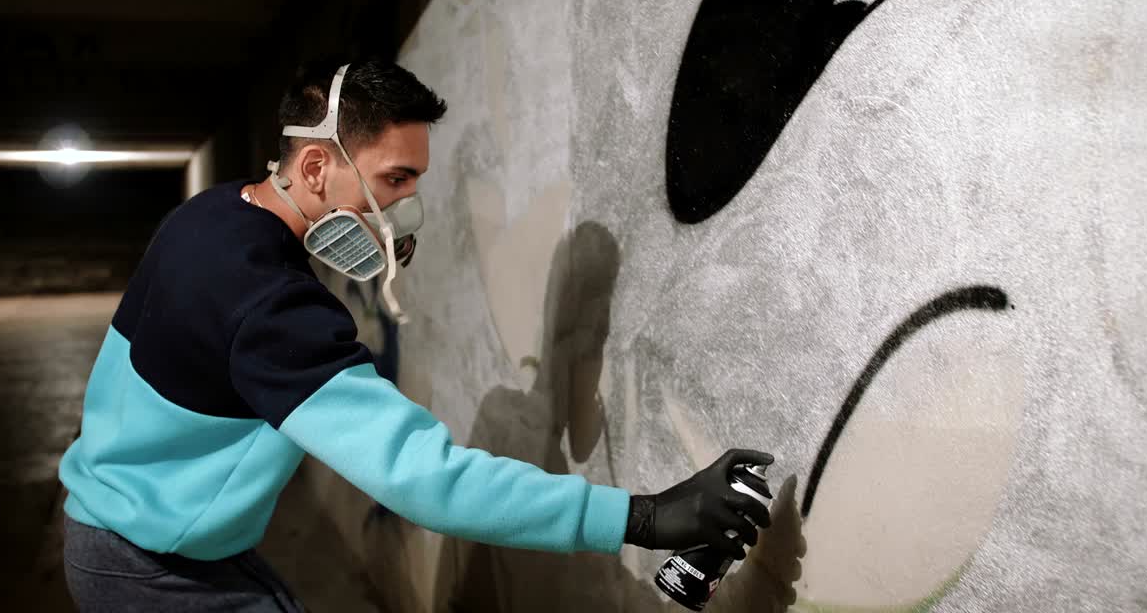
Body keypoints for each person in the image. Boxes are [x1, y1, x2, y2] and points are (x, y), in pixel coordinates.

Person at [57, 59, 773, 611]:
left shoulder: (210, 216)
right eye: (393, 181)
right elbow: (424, 481)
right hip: (156, 566)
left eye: (411, 189)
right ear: (315, 166)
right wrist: (641, 517)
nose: (400, 211)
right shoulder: (273, 309)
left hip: (131, 526)